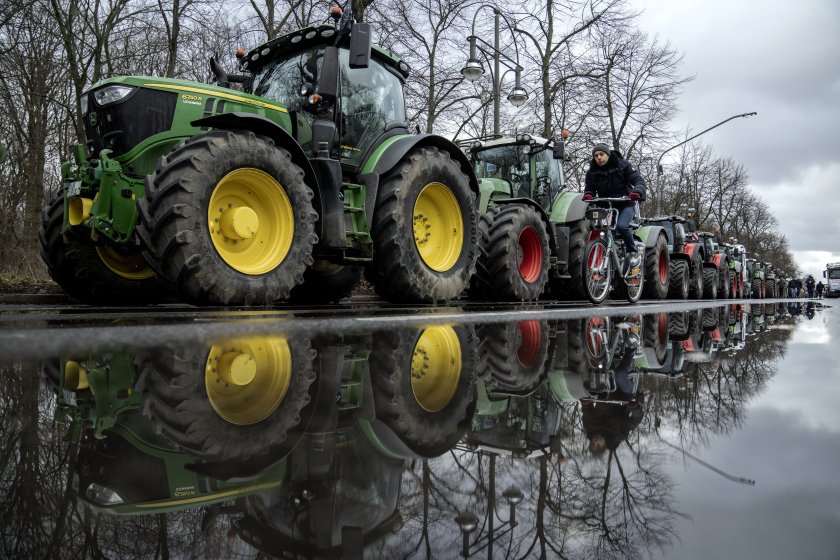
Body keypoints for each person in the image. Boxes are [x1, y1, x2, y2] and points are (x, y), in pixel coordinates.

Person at [583, 143, 646, 265]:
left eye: (601, 154)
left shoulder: (622, 165)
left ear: (608, 154)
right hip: (607, 206)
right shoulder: (592, 172)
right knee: (606, 232)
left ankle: (633, 253)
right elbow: (589, 188)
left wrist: (637, 191)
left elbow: (639, 181)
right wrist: (589, 194)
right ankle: (610, 264)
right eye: (596, 155)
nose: (599, 158)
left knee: (622, 226)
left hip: (625, 203)